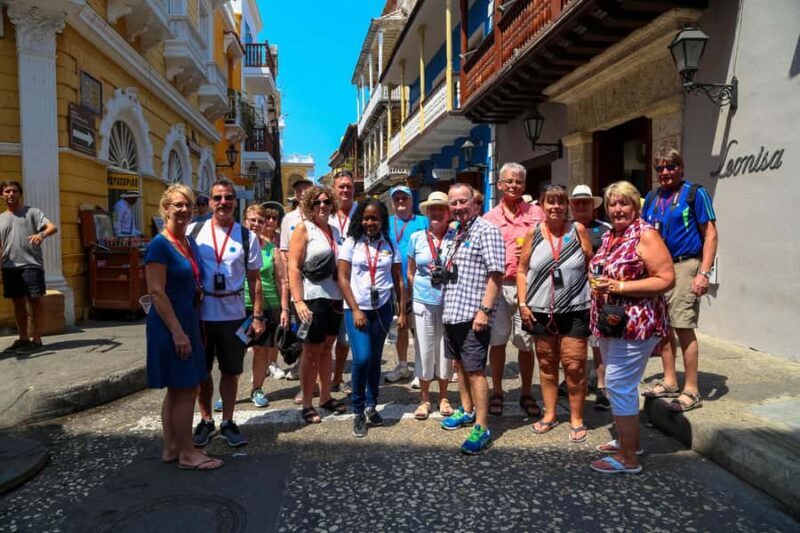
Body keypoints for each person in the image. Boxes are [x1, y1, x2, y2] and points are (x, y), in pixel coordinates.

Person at [589, 181, 674, 474]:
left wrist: (620, 286)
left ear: (636, 206)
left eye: (624, 203)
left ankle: (628, 459)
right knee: (620, 386)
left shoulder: (645, 234)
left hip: (636, 324)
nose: (617, 209)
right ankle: (629, 442)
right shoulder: (613, 235)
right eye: (612, 204)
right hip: (613, 322)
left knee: (618, 384)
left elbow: (665, 278)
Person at [144, 184, 221, 470]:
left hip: (187, 320)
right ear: (165, 208)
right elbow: (156, 291)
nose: (184, 209)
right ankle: (188, 453)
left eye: (188, 204)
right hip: (171, 324)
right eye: (177, 204)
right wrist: (178, 332)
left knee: (177, 390)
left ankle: (171, 447)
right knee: (187, 388)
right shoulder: (159, 245)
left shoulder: (185, 242)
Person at [641, 147, 718, 412]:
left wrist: (704, 273)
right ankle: (670, 380)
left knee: (683, 326)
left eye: (670, 166)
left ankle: (692, 389)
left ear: (681, 167)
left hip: (685, 265)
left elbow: (710, 234)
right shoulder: (652, 198)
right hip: (658, 270)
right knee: (663, 328)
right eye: (660, 168)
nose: (665, 172)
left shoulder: (695, 193)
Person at [188, 179, 264, 448]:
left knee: (231, 372)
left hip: (233, 314)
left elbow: (254, 280)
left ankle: (228, 421)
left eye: (228, 198)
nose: (223, 202)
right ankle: (206, 419)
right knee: (202, 371)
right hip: (201, 315)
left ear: (235, 202)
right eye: (218, 198)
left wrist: (257, 316)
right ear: (209, 202)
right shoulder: (194, 231)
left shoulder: (247, 236)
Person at [517, 185, 593, 443]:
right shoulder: (533, 233)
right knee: (547, 364)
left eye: (561, 202)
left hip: (575, 309)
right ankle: (549, 414)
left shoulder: (578, 230)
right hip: (540, 309)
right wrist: (523, 303)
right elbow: (521, 269)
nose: (555, 207)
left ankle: (577, 418)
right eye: (550, 202)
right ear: (541, 205)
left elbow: (591, 266)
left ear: (567, 206)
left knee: (574, 366)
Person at [440, 183, 504, 455]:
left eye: (462, 202)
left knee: (476, 370)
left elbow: (496, 274)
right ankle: (466, 410)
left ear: (475, 204)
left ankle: (482, 426)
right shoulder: (456, 232)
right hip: (452, 310)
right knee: (459, 365)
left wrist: (485, 311)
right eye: (453, 203)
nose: (457, 208)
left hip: (473, 313)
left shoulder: (486, 230)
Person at [338, 199, 406, 437]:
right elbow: (343, 278)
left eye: (375, 218)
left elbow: (398, 280)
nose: (370, 222)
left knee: (375, 360)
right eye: (366, 218)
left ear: (382, 220)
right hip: (357, 310)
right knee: (362, 359)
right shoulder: (351, 243)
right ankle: (357, 410)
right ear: (360, 220)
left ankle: (371, 406)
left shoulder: (389, 242)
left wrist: (402, 311)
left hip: (382, 310)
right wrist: (355, 309)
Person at [483, 163, 545, 418]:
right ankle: (497, 390)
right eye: (508, 181)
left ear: (524, 185)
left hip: (526, 287)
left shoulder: (537, 214)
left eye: (518, 182)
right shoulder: (489, 219)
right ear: (499, 185)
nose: (513, 186)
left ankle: (527, 391)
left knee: (524, 341)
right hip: (498, 286)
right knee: (497, 342)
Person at [288, 185, 347, 423]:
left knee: (327, 349)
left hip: (334, 298)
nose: (322, 206)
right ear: (310, 206)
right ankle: (307, 403)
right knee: (310, 352)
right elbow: (293, 266)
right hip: (312, 298)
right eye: (317, 203)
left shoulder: (334, 230)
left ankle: (325, 397)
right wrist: (298, 301)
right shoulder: (304, 229)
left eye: (326, 202)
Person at [407, 192, 454, 420]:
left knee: (445, 351)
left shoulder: (456, 237)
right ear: (427, 213)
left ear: (448, 213)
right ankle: (425, 399)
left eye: (441, 209)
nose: (436, 213)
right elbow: (410, 271)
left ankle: (444, 396)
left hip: (449, 301)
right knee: (424, 350)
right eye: (432, 209)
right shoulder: (416, 237)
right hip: (423, 300)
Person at [0, 180, 58, 355]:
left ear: (20, 194)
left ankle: (37, 339)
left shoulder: (32, 212)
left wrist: (41, 235)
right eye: (7, 191)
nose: (11, 194)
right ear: (2, 195)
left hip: (31, 265)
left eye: (15, 191)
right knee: (17, 303)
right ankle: (23, 338)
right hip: (9, 266)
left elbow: (52, 227)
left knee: (35, 301)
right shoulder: (1, 218)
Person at [569, 184, 612, 410]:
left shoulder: (605, 229)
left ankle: (602, 387)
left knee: (597, 342)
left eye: (586, 202)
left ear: (593, 206)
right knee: (572, 342)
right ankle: (575, 383)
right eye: (577, 203)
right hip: (568, 294)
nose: (581, 206)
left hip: (596, 294)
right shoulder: (564, 229)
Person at [243, 204, 289, 406]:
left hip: (269, 306)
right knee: (237, 351)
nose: (256, 224)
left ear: (265, 225)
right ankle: (227, 394)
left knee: (261, 351)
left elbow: (282, 282)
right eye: (252, 220)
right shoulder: (235, 246)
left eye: (260, 221)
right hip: (240, 306)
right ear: (245, 221)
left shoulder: (273, 250)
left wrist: (285, 309)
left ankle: (257, 389)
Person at [385, 185, 428, 383]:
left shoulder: (423, 221)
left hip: (419, 284)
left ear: (412, 201)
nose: (401, 201)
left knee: (419, 327)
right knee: (401, 325)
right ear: (392, 203)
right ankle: (403, 366)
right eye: (397, 199)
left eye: (404, 198)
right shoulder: (385, 223)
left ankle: (421, 368)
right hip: (393, 285)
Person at [280, 178, 313, 381]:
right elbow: (284, 251)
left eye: (306, 190)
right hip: (296, 279)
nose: (302, 194)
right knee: (298, 324)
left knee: (313, 323)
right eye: (299, 191)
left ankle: (309, 363)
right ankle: (299, 361)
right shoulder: (288, 219)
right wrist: (289, 278)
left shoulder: (319, 215)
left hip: (316, 279)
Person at [330, 171, 358, 395]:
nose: (345, 190)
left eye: (349, 186)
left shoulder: (362, 212)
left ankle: (338, 379)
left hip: (354, 284)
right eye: (341, 187)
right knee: (321, 341)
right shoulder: (325, 212)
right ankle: (319, 382)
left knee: (345, 340)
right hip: (328, 284)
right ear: (334, 189)